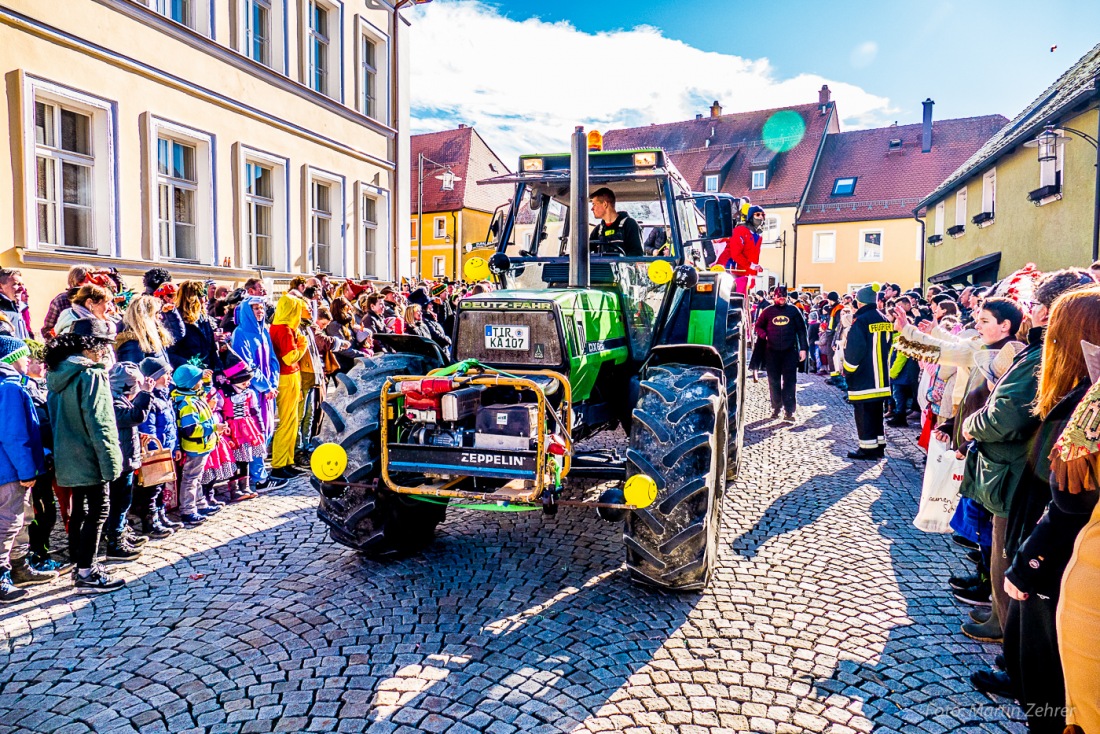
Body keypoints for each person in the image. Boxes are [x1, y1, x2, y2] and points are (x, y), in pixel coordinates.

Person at [1002, 285, 1100, 733]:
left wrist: (1027, 565)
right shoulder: (1083, 396)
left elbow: (1069, 506)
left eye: (1054, 334)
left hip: (1061, 569)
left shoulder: (1087, 407)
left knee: (1050, 697)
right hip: (1059, 559)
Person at [45, 319, 126, 593]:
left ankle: (81, 565)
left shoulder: (59, 374)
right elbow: (100, 422)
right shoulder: (90, 374)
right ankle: (87, 571)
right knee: (98, 510)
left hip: (68, 454)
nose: (105, 352)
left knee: (80, 511)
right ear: (91, 346)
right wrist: (112, 464)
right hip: (89, 454)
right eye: (103, 346)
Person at [0, 336, 48, 602]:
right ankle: (2, 577)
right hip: (9, 470)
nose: (28, 360)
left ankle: (19, 567)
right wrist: (28, 471)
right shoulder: (8, 388)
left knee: (18, 521)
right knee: (7, 524)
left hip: (8, 468)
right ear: (9, 359)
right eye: (23, 355)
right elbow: (14, 435)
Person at [105, 361, 153, 561]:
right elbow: (136, 416)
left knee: (123, 501)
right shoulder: (115, 403)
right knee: (119, 502)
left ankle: (121, 532)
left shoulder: (119, 400)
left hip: (126, 460)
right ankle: (115, 542)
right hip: (121, 463)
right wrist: (146, 394)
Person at [232, 296, 279, 489]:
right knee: (255, 432)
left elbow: (273, 360)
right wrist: (264, 386)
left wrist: (273, 384)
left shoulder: (264, 331)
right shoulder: (241, 333)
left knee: (266, 430)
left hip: (268, 392)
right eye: (255, 309)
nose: (260, 311)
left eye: (261, 308)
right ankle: (258, 478)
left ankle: (261, 473)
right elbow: (246, 365)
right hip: (253, 392)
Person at [843, 284, 893, 459]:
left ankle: (867, 448)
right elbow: (888, 344)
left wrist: (848, 371)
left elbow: (854, 350)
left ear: (859, 302)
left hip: (864, 377)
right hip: (881, 378)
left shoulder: (861, 321)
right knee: (876, 413)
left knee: (864, 414)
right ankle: (879, 446)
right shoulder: (884, 319)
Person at [135, 357, 179, 538]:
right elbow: (148, 427)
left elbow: (171, 426)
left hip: (166, 449)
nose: (169, 377)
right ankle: (150, 521)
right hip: (155, 451)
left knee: (160, 487)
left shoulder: (164, 397)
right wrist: (153, 448)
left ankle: (161, 515)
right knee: (151, 490)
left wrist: (174, 446)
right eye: (166, 374)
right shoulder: (150, 400)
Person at [171, 364, 218, 526]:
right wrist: (213, 428)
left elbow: (203, 392)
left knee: (196, 478)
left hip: (202, 446)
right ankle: (188, 510)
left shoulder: (191, 395)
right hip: (196, 446)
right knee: (191, 479)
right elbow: (190, 430)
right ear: (192, 383)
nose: (201, 381)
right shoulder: (187, 404)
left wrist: (207, 381)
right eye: (198, 379)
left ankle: (200, 504)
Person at [753, 286, 808, 421]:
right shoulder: (767, 311)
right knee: (774, 381)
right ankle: (776, 408)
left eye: (783, 296)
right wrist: (764, 335)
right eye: (779, 296)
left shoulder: (793, 311)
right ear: (774, 297)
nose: (781, 299)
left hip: (790, 351)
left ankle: (789, 411)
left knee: (790, 382)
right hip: (771, 352)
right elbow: (758, 326)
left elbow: (802, 330)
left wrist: (803, 349)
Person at [269, 294, 308, 481]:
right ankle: (279, 463)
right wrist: (303, 346)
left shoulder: (279, 327)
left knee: (292, 422)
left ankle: (287, 461)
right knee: (287, 422)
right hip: (287, 377)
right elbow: (289, 357)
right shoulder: (284, 329)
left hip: (289, 377)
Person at [167, 280, 222, 371]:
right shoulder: (175, 320)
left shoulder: (204, 319)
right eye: (203, 297)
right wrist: (193, 367)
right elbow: (170, 354)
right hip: (188, 375)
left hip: (207, 373)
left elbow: (212, 349)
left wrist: (218, 370)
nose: (206, 300)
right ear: (192, 299)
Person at [712, 205, 766, 295]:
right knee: (732, 298)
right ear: (750, 217)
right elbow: (735, 254)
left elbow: (754, 257)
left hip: (742, 273)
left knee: (741, 299)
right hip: (730, 268)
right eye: (757, 214)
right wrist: (752, 267)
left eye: (762, 215)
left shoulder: (758, 236)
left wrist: (753, 275)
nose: (760, 217)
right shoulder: (739, 230)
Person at [588, 187, 642, 256]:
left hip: (624, 266)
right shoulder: (598, 230)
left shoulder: (629, 225)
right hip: (602, 267)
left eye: (594, 204)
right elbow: (585, 251)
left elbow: (636, 254)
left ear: (605, 204)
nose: (592, 209)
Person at [0, 269, 30, 340]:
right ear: (0, 287)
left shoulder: (20, 308)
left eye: (22, 284)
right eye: (16, 284)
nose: (22, 289)